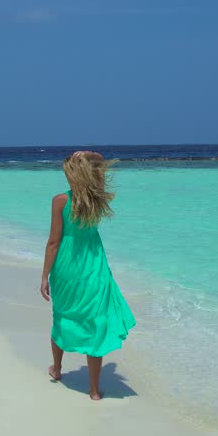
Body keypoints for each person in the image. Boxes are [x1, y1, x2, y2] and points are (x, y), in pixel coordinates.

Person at [39, 150, 136, 400]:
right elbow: (101, 164)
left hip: (67, 267)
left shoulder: (60, 200)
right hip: (94, 267)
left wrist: (44, 276)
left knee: (62, 316)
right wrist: (90, 154)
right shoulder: (96, 199)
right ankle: (94, 391)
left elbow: (53, 242)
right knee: (95, 323)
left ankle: (57, 370)